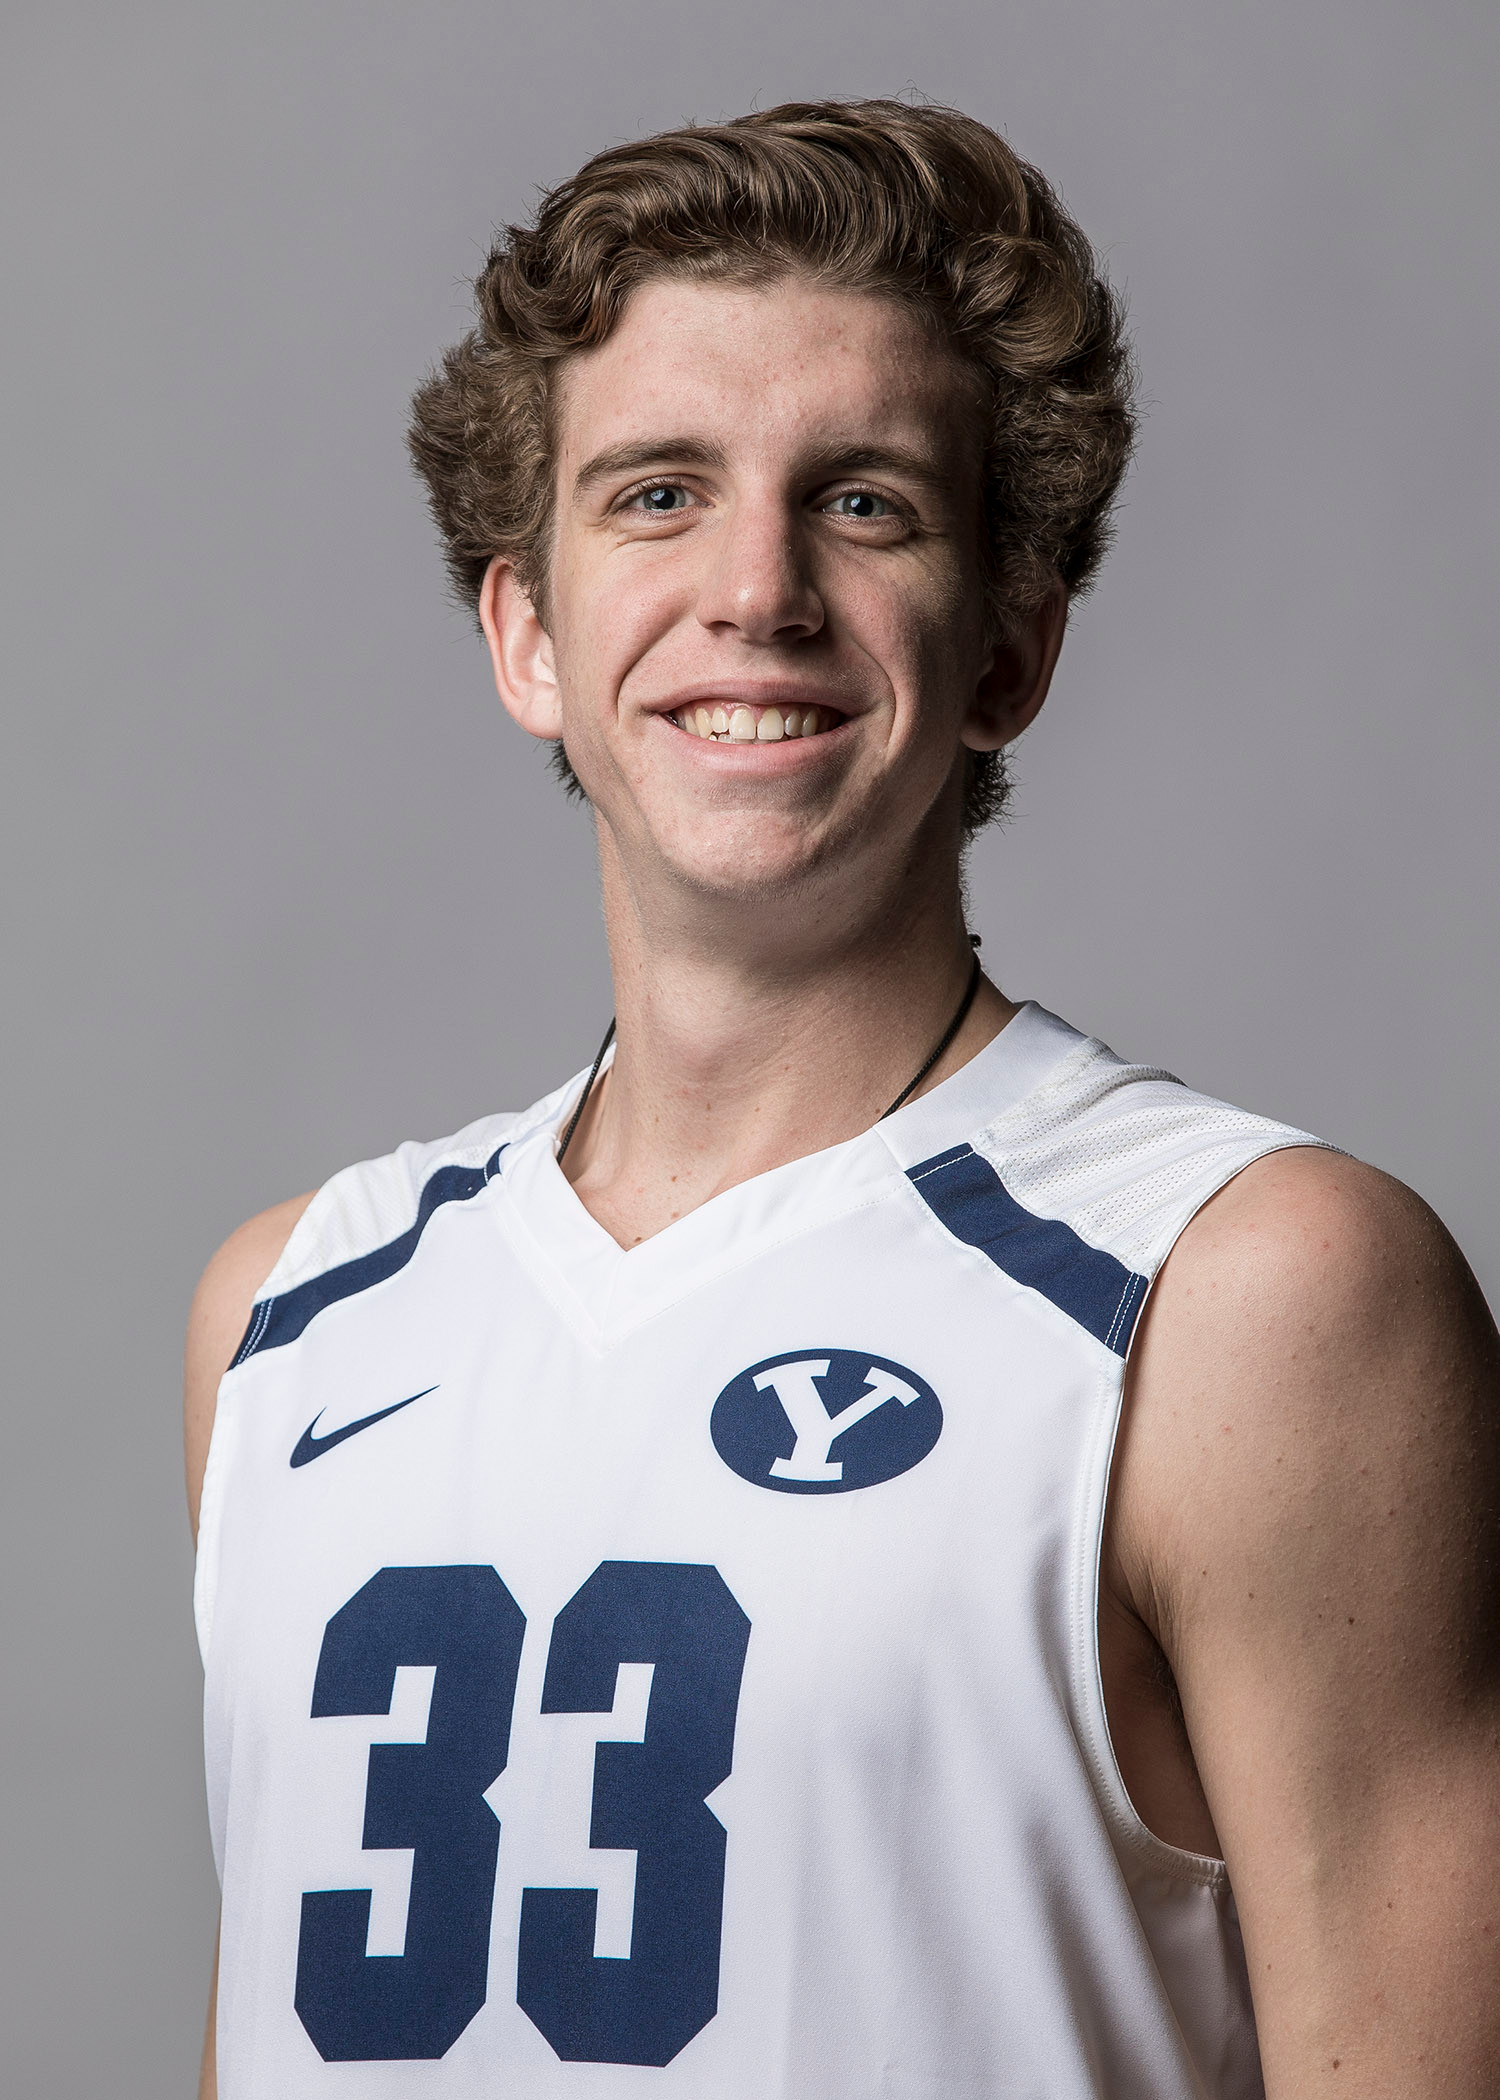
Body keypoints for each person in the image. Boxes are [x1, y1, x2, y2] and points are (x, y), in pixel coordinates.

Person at [184, 100, 1500, 2099]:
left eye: (866, 503)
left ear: (1013, 646)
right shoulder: (289, 1315)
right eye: (654, 495)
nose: (758, 591)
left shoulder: (1250, 1293)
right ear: (525, 631)